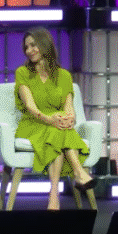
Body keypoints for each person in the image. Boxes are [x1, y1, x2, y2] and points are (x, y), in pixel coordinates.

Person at [14, 27, 94, 210]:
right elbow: (30, 107)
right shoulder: (23, 73)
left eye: (33, 45)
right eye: (26, 47)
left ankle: (54, 196)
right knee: (57, 131)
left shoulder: (64, 75)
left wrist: (70, 119)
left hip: (54, 125)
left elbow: (68, 107)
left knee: (59, 131)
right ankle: (79, 173)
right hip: (32, 123)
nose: (29, 50)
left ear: (45, 44)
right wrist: (50, 119)